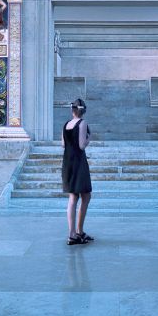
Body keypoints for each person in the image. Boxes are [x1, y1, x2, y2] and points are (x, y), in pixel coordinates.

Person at [62, 98, 93, 245]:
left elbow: (63, 144)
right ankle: (79, 231)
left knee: (73, 198)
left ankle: (72, 234)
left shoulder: (66, 124)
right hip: (79, 163)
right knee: (85, 196)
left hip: (68, 162)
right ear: (82, 111)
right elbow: (81, 146)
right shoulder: (83, 123)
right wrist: (89, 138)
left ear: (72, 111)